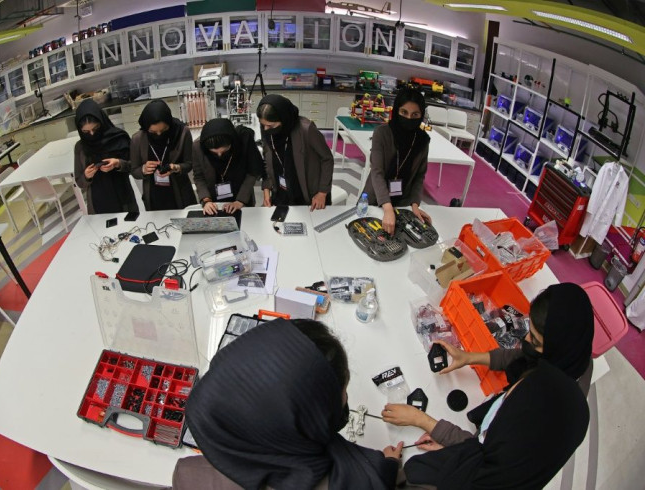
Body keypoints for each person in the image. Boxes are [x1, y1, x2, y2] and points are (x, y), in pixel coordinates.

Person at [380, 283, 593, 489]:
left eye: (535, 341)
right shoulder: (571, 360)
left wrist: (421, 421)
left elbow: (483, 449)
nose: (525, 339)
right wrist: (468, 357)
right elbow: (519, 357)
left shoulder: (535, 415)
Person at [172, 319, 403, 489]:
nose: (344, 402)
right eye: (340, 394)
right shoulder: (367, 475)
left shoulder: (189, 476)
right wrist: (390, 466)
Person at [361, 88, 432, 234]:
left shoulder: (422, 140)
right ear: (396, 110)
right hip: (377, 198)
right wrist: (387, 208)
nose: (409, 118)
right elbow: (377, 172)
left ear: (421, 116)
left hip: (403, 201)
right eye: (404, 112)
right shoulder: (382, 133)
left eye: (415, 114)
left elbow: (419, 176)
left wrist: (415, 205)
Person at [257, 95, 334, 211]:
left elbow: (327, 159)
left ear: (283, 119)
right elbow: (267, 159)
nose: (266, 129)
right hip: (281, 192)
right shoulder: (266, 128)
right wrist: (266, 189)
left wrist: (322, 193)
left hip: (306, 193)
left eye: (270, 126)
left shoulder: (306, 130)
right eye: (263, 125)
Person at [73, 99, 138, 214]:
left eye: (95, 129)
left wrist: (118, 163)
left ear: (101, 122)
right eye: (86, 132)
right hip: (98, 202)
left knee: (129, 228)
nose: (92, 134)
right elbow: (79, 181)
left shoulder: (119, 137)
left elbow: (134, 167)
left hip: (123, 196)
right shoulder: (80, 147)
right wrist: (87, 176)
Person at [130, 99, 196, 210]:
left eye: (164, 130)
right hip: (154, 195)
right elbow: (134, 171)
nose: (159, 135)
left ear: (169, 123)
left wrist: (176, 167)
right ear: (146, 128)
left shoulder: (182, 132)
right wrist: (143, 169)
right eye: (153, 132)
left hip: (180, 193)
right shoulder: (138, 139)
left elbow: (189, 164)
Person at [192, 118, 264, 215]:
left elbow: (252, 172)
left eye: (224, 151)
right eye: (214, 153)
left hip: (241, 196)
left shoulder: (242, 143)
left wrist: (240, 201)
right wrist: (206, 200)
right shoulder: (198, 147)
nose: (219, 155)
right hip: (214, 202)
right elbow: (199, 177)